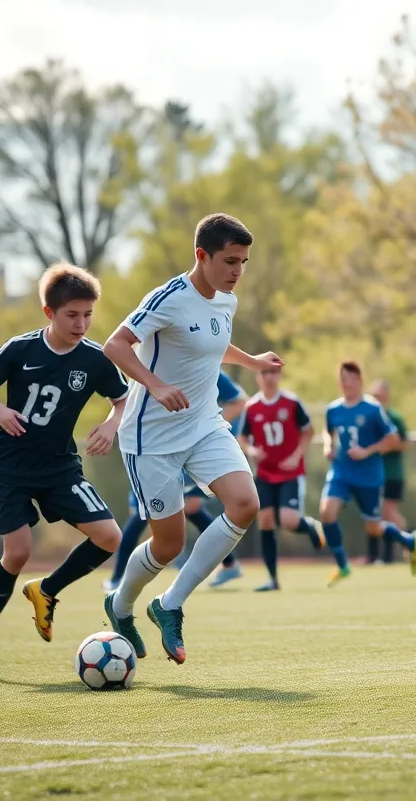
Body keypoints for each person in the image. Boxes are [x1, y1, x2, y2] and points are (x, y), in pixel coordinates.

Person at [101, 213, 283, 665]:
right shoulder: (169, 297)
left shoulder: (226, 300)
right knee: (168, 544)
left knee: (245, 503)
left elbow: (214, 344)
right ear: (201, 256)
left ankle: (170, 604)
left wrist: (253, 361)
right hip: (151, 438)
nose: (237, 271)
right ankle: (121, 605)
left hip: (203, 423)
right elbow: (115, 346)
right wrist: (155, 386)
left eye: (243, 262)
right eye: (229, 260)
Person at [0, 264, 130, 681]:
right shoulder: (21, 350)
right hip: (10, 466)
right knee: (18, 553)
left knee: (109, 537)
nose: (81, 323)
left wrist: (111, 424)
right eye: (72, 315)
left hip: (59, 467)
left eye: (88, 315)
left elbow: (123, 400)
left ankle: (47, 591)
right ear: (49, 312)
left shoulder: (95, 358)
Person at [103, 371, 248, 593]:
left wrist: (203, 428)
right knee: (162, 512)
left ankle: (119, 581)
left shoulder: (202, 364)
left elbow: (239, 401)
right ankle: (229, 564)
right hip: (155, 448)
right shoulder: (150, 366)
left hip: (187, 448)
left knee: (172, 510)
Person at [319, 361, 416, 587]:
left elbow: (393, 439)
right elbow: (328, 432)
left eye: (352, 378)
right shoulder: (333, 409)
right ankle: (343, 566)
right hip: (341, 473)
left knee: (374, 527)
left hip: (368, 475)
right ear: (340, 382)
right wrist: (328, 446)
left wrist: (367, 451)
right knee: (326, 512)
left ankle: (409, 541)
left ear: (360, 381)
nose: (348, 383)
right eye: (344, 378)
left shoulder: (372, 408)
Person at [237, 367, 327, 591]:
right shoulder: (252, 407)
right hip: (265, 474)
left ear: (279, 376)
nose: (269, 377)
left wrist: (296, 456)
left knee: (288, 521)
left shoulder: (291, 403)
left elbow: (308, 431)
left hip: (290, 473)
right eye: (264, 373)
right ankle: (273, 579)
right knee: (265, 520)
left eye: (273, 373)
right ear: (258, 377)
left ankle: (311, 526)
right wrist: (252, 450)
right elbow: (242, 437)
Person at [368, 379, 411, 565]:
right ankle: (377, 557)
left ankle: (408, 539)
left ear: (387, 396)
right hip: (372, 474)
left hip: (392, 474)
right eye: (374, 396)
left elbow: (406, 443)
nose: (377, 399)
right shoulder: (368, 417)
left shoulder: (394, 418)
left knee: (387, 513)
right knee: (374, 515)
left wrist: (387, 446)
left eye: (380, 395)